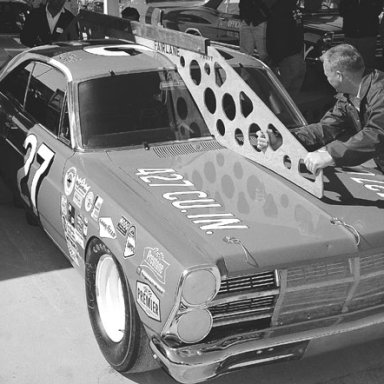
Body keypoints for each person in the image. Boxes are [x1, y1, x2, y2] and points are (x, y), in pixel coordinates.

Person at [256, 44, 384, 174]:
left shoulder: (380, 92)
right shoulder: (348, 96)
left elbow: (376, 134)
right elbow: (325, 128)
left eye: (327, 75)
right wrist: (283, 138)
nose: (326, 79)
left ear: (339, 75)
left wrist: (331, 154)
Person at [266, 0, 306, 99]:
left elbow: (297, 30)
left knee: (285, 93)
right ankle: (279, 113)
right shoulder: (283, 9)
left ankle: (284, 112)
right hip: (288, 56)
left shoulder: (291, 7)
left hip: (292, 55)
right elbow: (277, 35)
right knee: (282, 93)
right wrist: (276, 59)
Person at [339, 0, 384, 69]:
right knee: (349, 65)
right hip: (350, 34)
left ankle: (367, 79)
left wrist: (357, 12)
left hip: (368, 35)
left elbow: (377, 10)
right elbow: (341, 11)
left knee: (367, 65)